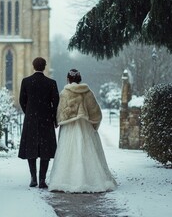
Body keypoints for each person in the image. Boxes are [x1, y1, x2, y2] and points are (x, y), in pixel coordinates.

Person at [48, 69, 117, 193]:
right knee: (87, 150)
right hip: (85, 126)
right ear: (79, 79)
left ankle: (66, 180)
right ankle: (91, 179)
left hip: (69, 127)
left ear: (68, 79)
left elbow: (61, 112)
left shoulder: (64, 93)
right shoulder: (87, 92)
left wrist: (59, 121)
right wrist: (94, 124)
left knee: (68, 152)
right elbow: (95, 111)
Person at [18, 57, 59, 189]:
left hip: (31, 120)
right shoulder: (51, 83)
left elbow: (21, 101)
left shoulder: (26, 81)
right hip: (46, 120)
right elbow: (56, 103)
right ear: (45, 67)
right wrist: (52, 116)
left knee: (31, 148)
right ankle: (42, 180)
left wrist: (29, 112)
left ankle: (33, 178)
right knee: (45, 150)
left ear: (33, 66)